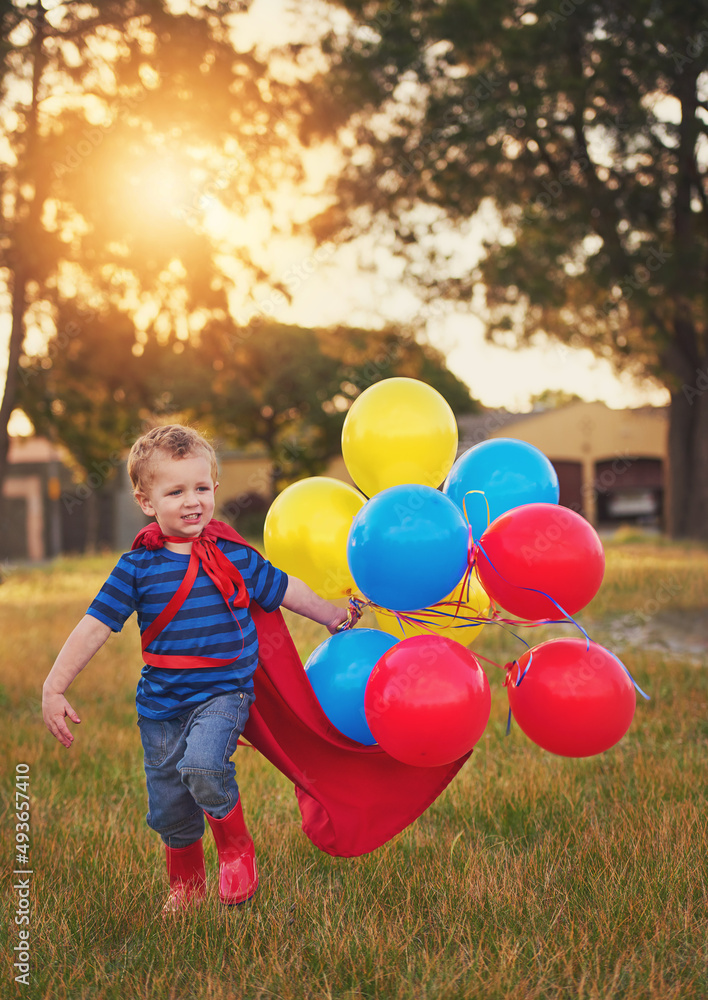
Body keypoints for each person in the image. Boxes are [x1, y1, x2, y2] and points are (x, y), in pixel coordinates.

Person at [42, 424, 359, 915]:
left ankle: (236, 849)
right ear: (146, 502)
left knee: (204, 766)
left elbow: (286, 588)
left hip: (222, 694)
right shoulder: (136, 568)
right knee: (170, 809)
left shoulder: (236, 558)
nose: (193, 501)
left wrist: (334, 615)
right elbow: (94, 626)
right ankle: (185, 888)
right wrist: (55, 685)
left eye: (202, 488)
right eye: (176, 491)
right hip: (160, 708)